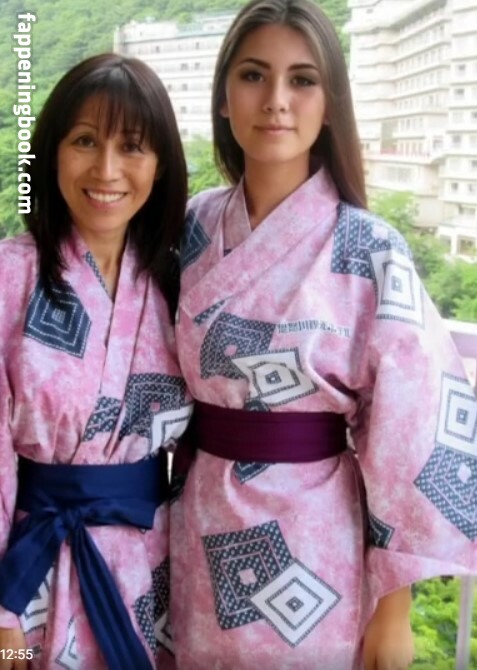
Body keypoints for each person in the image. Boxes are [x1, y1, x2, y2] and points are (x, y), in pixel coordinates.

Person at [169, 0, 477, 668]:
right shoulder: (189, 228)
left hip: (313, 547)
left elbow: (410, 430)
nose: (276, 100)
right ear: (223, 95)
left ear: (330, 102)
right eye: (253, 75)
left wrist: (392, 609)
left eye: (302, 80)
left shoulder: (369, 248)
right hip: (192, 525)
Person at [0, 53, 191, 670]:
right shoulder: (10, 275)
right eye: (85, 141)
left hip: (151, 571)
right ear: (52, 153)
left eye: (131, 146)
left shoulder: (178, 285)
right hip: (26, 573)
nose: (106, 169)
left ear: (160, 164)